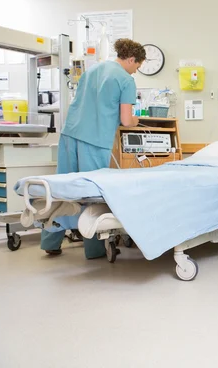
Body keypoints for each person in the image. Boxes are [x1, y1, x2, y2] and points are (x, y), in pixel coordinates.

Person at [40, 38, 144, 259]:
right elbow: (126, 121)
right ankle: (94, 249)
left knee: (62, 189)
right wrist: (136, 121)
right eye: (137, 66)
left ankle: (50, 241)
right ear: (132, 59)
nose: (136, 71)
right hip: (95, 140)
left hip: (70, 134)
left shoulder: (93, 69)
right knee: (91, 194)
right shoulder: (125, 80)